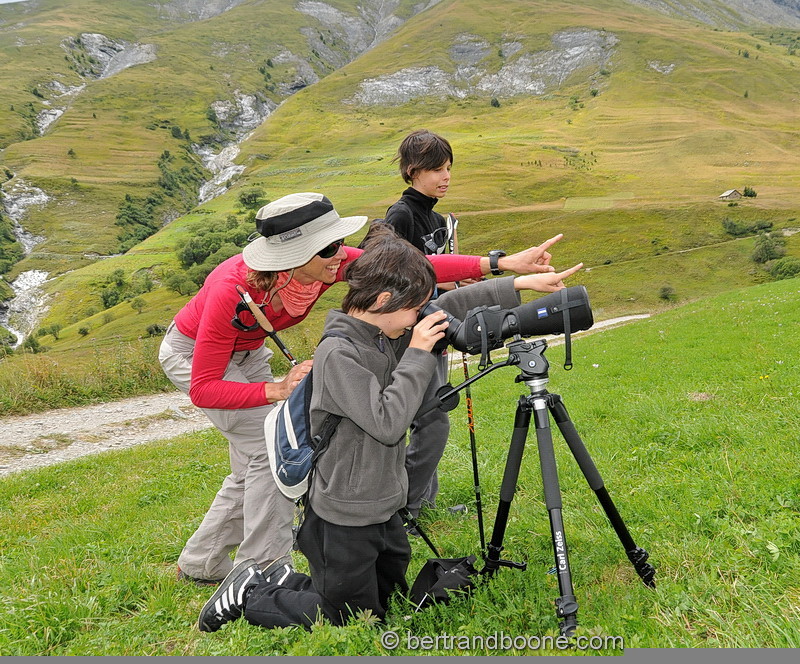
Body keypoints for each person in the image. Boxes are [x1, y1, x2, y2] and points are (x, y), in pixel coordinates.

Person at [159, 191, 565, 585]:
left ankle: (201, 562)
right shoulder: (230, 291)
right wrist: (277, 390)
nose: (341, 253)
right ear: (292, 257)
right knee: (274, 450)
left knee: (252, 462)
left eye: (338, 242)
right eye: (329, 247)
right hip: (195, 354)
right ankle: (263, 572)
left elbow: (415, 269)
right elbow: (205, 388)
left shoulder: (326, 263)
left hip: (249, 353)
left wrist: (504, 263)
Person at [379, 129, 470, 519]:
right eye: (436, 169)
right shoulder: (402, 215)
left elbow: (431, 271)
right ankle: (407, 511)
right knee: (432, 422)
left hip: (434, 328)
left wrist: (455, 281)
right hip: (409, 334)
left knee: (430, 416)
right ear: (412, 171)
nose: (445, 176)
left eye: (448, 168)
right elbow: (395, 274)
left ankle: (423, 506)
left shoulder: (435, 216)